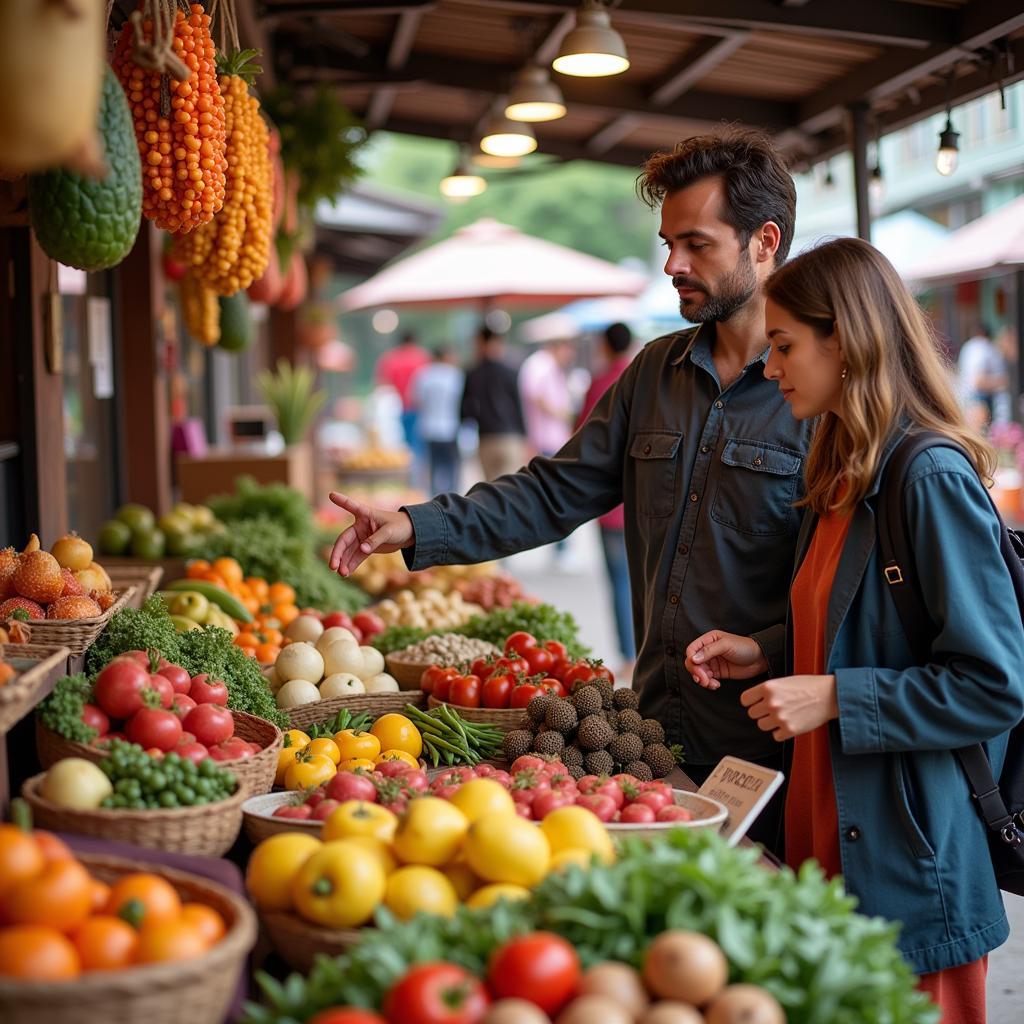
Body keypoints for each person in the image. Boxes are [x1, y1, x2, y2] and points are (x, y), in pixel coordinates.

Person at [328, 128, 814, 853]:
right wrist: (416, 525)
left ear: (764, 240)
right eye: (666, 244)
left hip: (776, 746)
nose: (672, 264)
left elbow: (851, 586)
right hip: (649, 738)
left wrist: (771, 646)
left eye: (696, 244)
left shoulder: (819, 393)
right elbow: (553, 492)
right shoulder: (652, 374)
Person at [684, 237, 1024, 1021]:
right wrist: (766, 650)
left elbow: (993, 684)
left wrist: (835, 697)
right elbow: (858, 624)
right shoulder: (841, 469)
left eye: (784, 346)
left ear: (848, 339)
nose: (770, 369)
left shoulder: (927, 475)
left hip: (912, 857)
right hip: (834, 835)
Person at [577, 322, 637, 675]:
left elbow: (581, 439)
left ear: (605, 345)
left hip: (610, 505)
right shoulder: (647, 380)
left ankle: (628, 654)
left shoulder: (599, 383)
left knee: (618, 580)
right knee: (647, 582)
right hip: (646, 505)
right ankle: (643, 653)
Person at [520, 338, 577, 566]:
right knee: (557, 494)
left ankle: (560, 547)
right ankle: (559, 548)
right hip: (547, 439)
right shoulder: (540, 364)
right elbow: (537, 397)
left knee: (556, 493)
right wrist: (562, 415)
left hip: (553, 439)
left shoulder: (546, 365)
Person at [459, 325, 527, 481]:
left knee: (491, 493)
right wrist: (525, 436)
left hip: (486, 437)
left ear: (481, 342)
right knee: (512, 490)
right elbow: (518, 406)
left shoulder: (472, 373)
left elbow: (464, 410)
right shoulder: (510, 371)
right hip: (511, 438)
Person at [411, 346, 465, 496]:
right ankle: (452, 500)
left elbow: (416, 400)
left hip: (428, 427)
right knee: (452, 469)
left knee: (433, 467)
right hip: (450, 428)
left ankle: (435, 500)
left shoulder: (424, 374)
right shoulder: (455, 375)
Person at [376, 331, 431, 449]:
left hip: (396, 406)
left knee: (399, 442)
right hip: (416, 406)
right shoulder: (422, 358)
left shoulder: (390, 358)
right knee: (417, 442)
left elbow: (382, 383)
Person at [958, 322, 1007, 426]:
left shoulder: (968, 346)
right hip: (979, 399)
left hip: (968, 398)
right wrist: (1004, 381)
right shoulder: (982, 347)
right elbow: (979, 381)